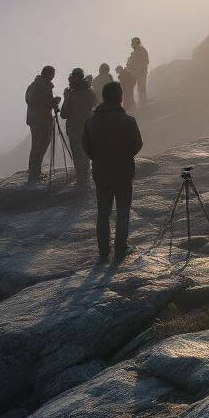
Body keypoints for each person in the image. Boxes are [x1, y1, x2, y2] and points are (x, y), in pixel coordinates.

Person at [82, 80, 142, 263]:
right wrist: (124, 156)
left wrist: (98, 159)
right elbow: (137, 145)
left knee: (103, 213)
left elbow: (86, 146)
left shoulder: (91, 121)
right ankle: (120, 250)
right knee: (123, 212)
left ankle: (103, 252)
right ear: (120, 97)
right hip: (123, 172)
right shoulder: (128, 121)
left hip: (101, 173)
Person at [60, 68, 96, 190]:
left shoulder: (72, 94)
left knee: (77, 154)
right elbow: (94, 105)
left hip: (75, 128)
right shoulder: (90, 91)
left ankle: (81, 181)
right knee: (86, 153)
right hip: (88, 126)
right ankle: (86, 178)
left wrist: (65, 98)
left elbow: (63, 114)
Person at [25, 66, 60, 184]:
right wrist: (54, 101)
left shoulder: (33, 85)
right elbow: (44, 102)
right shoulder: (43, 86)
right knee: (41, 146)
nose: (54, 76)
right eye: (53, 74)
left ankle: (33, 171)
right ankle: (35, 173)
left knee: (35, 146)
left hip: (33, 120)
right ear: (48, 74)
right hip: (42, 120)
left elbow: (30, 101)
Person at [127, 37, 149, 107]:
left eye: (133, 43)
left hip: (140, 72)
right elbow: (131, 62)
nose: (132, 44)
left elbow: (146, 61)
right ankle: (141, 103)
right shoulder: (134, 52)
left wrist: (139, 68)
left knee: (141, 88)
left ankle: (143, 103)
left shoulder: (141, 50)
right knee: (138, 88)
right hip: (134, 73)